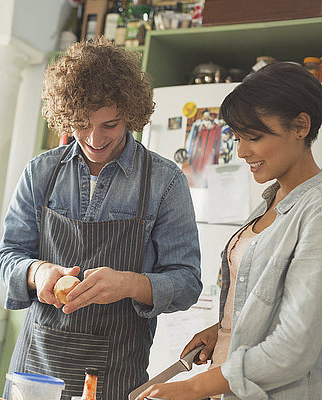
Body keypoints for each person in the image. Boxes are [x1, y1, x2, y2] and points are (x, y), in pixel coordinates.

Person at [0, 37, 202, 400]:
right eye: (81, 123)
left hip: (115, 374)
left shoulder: (165, 181)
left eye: (110, 124)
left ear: (131, 113)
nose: (94, 138)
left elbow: (187, 283)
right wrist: (38, 272)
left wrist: (128, 284)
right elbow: (8, 256)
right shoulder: (40, 172)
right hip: (36, 370)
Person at [137, 62, 322, 400]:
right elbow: (265, 302)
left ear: (300, 126)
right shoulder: (271, 200)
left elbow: (295, 345)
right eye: (238, 138)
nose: (241, 151)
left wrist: (193, 387)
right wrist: (223, 332)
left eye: (254, 137)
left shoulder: (317, 211)